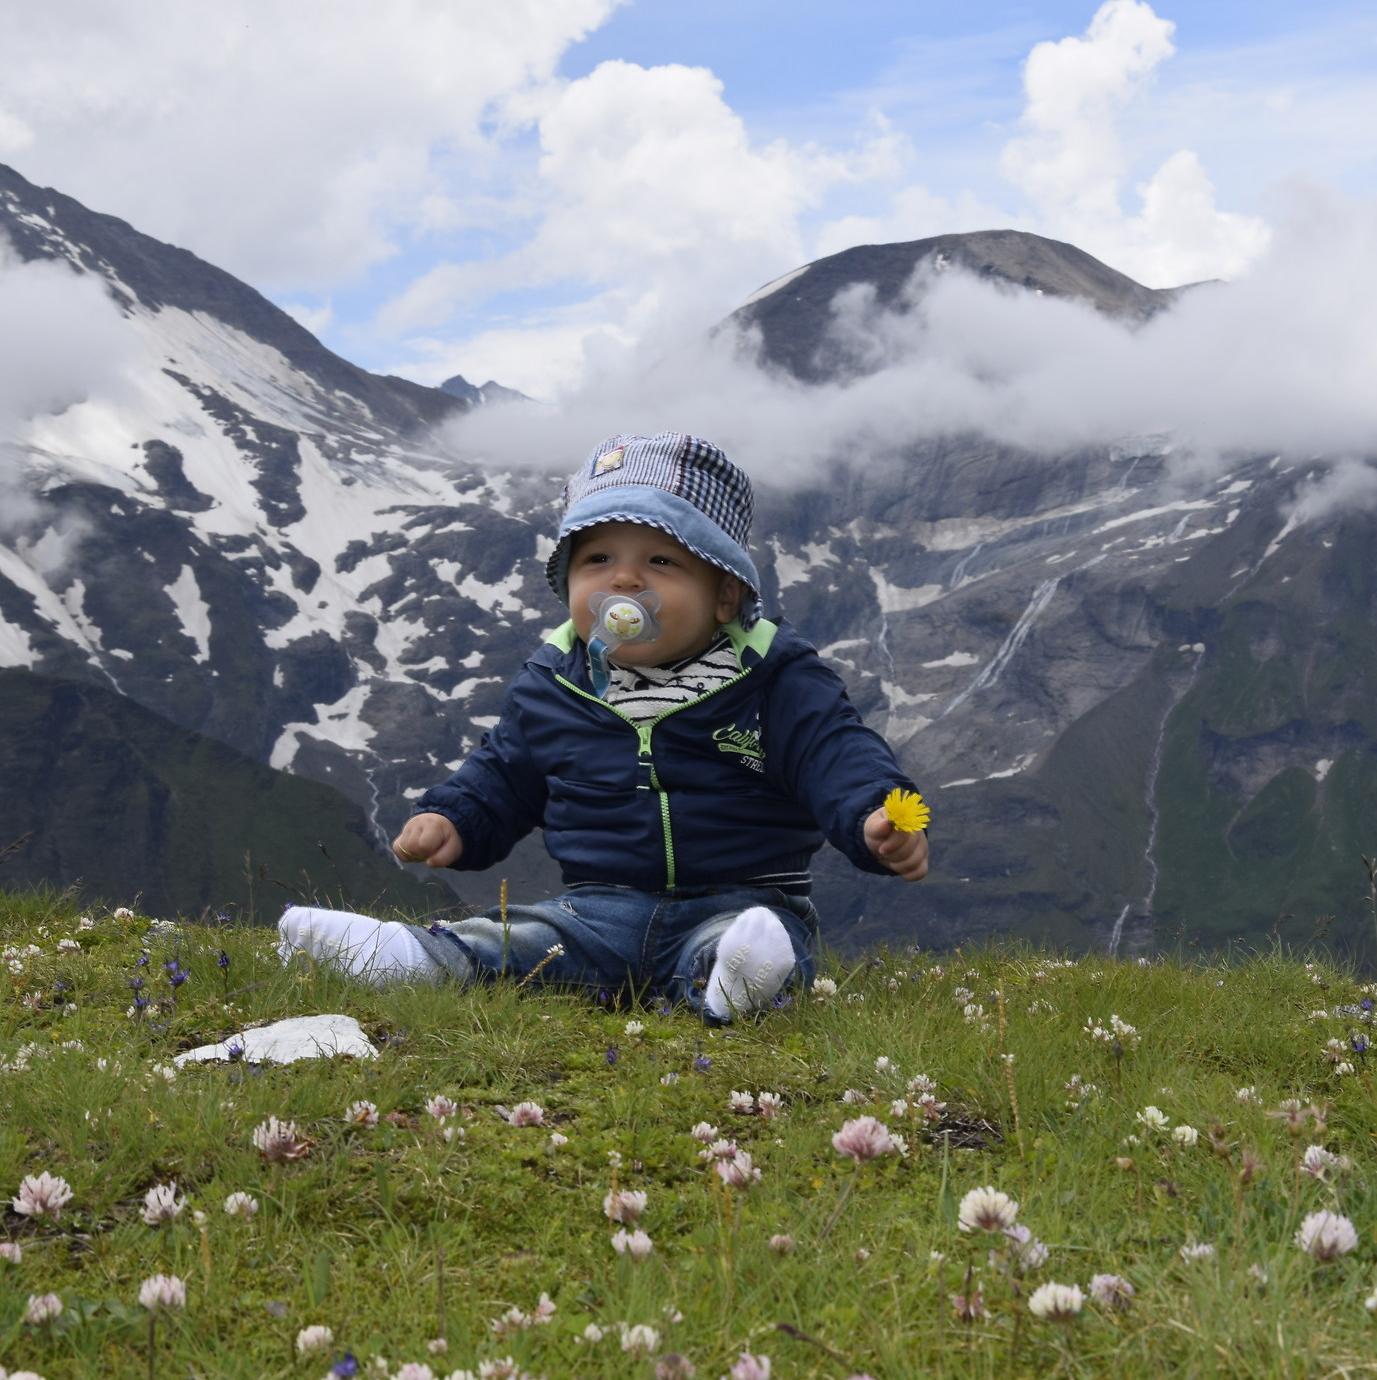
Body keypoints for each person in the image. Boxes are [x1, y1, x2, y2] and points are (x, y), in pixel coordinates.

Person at [277, 432, 929, 1020]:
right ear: (567, 583)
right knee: (526, 939)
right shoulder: (554, 684)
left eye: (661, 561)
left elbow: (834, 752)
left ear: (725, 594)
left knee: (751, 940)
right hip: (596, 909)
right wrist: (454, 818)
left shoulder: (773, 678)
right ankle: (413, 956)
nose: (623, 579)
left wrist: (873, 814)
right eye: (596, 560)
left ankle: (736, 977)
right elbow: (504, 772)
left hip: (743, 899)